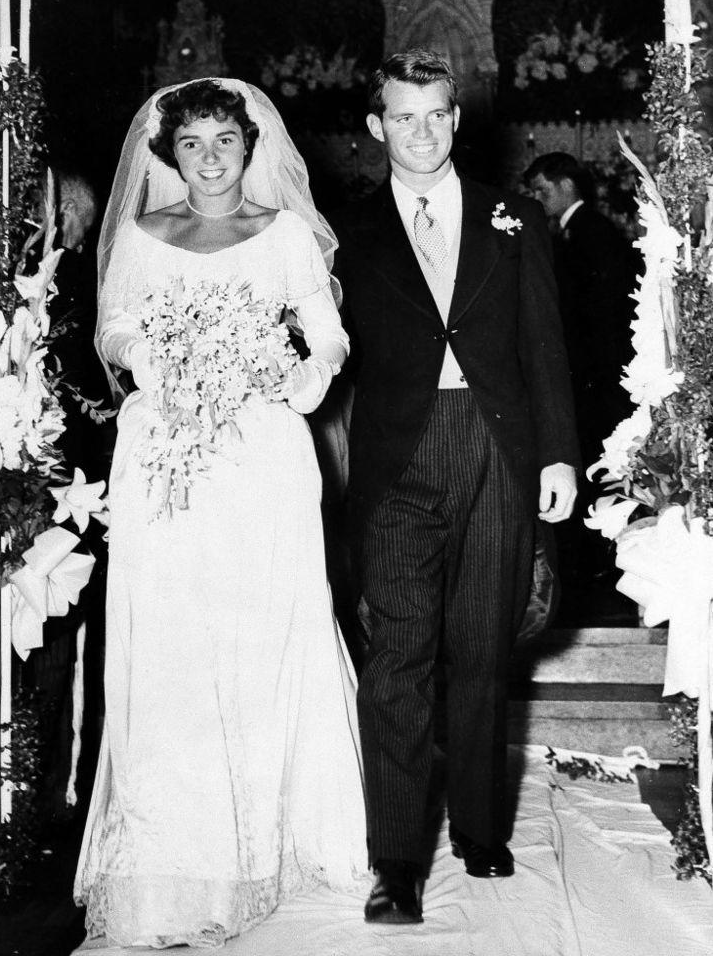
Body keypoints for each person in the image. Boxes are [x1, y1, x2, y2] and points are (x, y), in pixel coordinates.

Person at [73, 78, 367, 948]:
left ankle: (275, 842)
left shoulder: (280, 234)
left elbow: (329, 337)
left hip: (261, 459)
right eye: (192, 143)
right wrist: (154, 365)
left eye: (224, 143)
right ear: (169, 153)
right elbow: (115, 327)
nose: (209, 159)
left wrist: (300, 379)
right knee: (169, 643)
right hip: (166, 457)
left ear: (251, 148)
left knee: (263, 633)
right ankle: (177, 862)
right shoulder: (141, 233)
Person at [331, 50, 580, 925]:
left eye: (436, 113)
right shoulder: (346, 230)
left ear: (456, 117)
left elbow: (545, 345)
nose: (422, 130)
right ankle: (395, 860)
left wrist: (557, 455)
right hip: (397, 458)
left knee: (482, 648)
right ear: (376, 126)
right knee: (397, 657)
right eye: (403, 116)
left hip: (497, 447)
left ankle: (479, 830)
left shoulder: (514, 216)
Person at [524, 152, 637, 588]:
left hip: (597, 376)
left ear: (567, 185)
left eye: (542, 189)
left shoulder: (589, 232)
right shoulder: (579, 230)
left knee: (595, 462)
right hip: (593, 374)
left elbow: (598, 315)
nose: (538, 199)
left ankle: (597, 563)